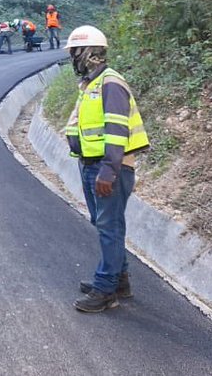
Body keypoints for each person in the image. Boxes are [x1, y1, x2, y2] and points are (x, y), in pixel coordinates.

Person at [63, 25, 150, 313]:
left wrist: (109, 171)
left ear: (88, 53)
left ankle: (106, 289)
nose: (72, 58)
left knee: (109, 227)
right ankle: (119, 280)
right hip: (94, 165)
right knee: (105, 225)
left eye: (75, 52)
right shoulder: (93, 83)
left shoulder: (110, 84)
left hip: (109, 168)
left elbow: (116, 130)